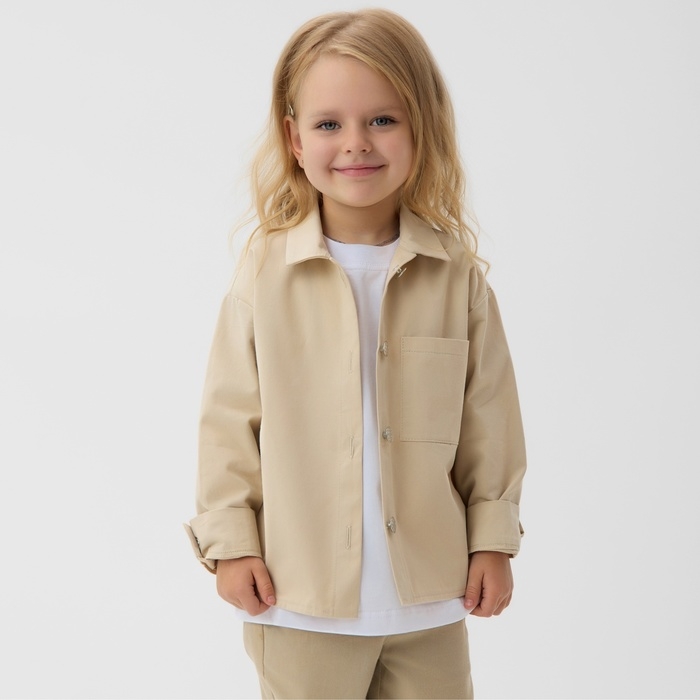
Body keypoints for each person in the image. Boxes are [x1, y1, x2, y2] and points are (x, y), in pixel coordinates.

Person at [185, 8, 526, 699]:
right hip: (299, 601)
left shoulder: (456, 277)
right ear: (295, 139)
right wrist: (231, 543)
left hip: (430, 598)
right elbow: (228, 423)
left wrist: (492, 537)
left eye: (383, 119)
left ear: (422, 127)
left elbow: (489, 420)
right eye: (328, 124)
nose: (356, 144)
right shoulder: (264, 275)